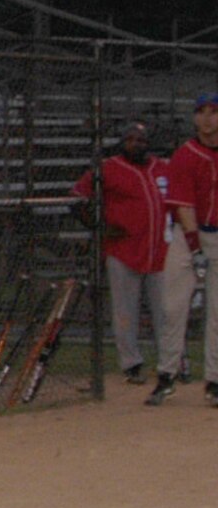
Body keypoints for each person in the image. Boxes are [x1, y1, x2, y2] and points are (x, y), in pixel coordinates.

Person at [71, 120, 170, 386]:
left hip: (158, 250)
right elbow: (78, 198)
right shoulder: (109, 168)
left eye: (141, 140)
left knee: (165, 311)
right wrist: (99, 226)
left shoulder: (160, 167)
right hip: (123, 250)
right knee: (125, 311)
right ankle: (132, 364)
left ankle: (169, 364)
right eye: (131, 140)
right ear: (122, 142)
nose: (137, 144)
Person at [154, 93, 218, 406]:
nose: (207, 119)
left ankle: (214, 381)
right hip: (186, 236)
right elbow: (183, 206)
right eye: (201, 112)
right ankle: (166, 375)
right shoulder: (186, 154)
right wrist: (195, 250)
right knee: (172, 307)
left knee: (217, 314)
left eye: (214, 112)